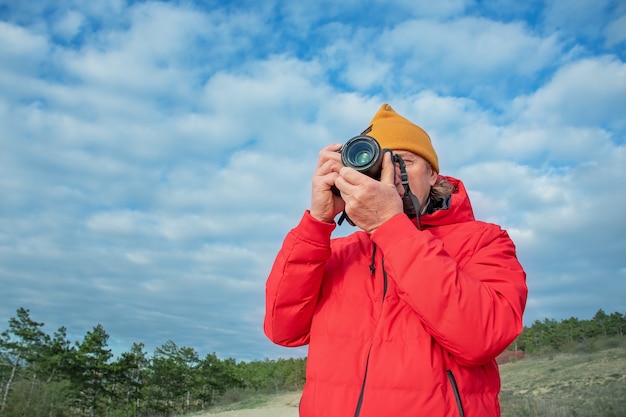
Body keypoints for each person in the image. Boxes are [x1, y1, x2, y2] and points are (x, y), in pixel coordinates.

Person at [264, 104, 527, 417]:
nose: (390, 174)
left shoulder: (484, 240)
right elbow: (283, 330)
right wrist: (317, 221)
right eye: (378, 163)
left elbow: (482, 337)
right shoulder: (337, 252)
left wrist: (389, 227)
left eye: (404, 161)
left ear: (432, 174)